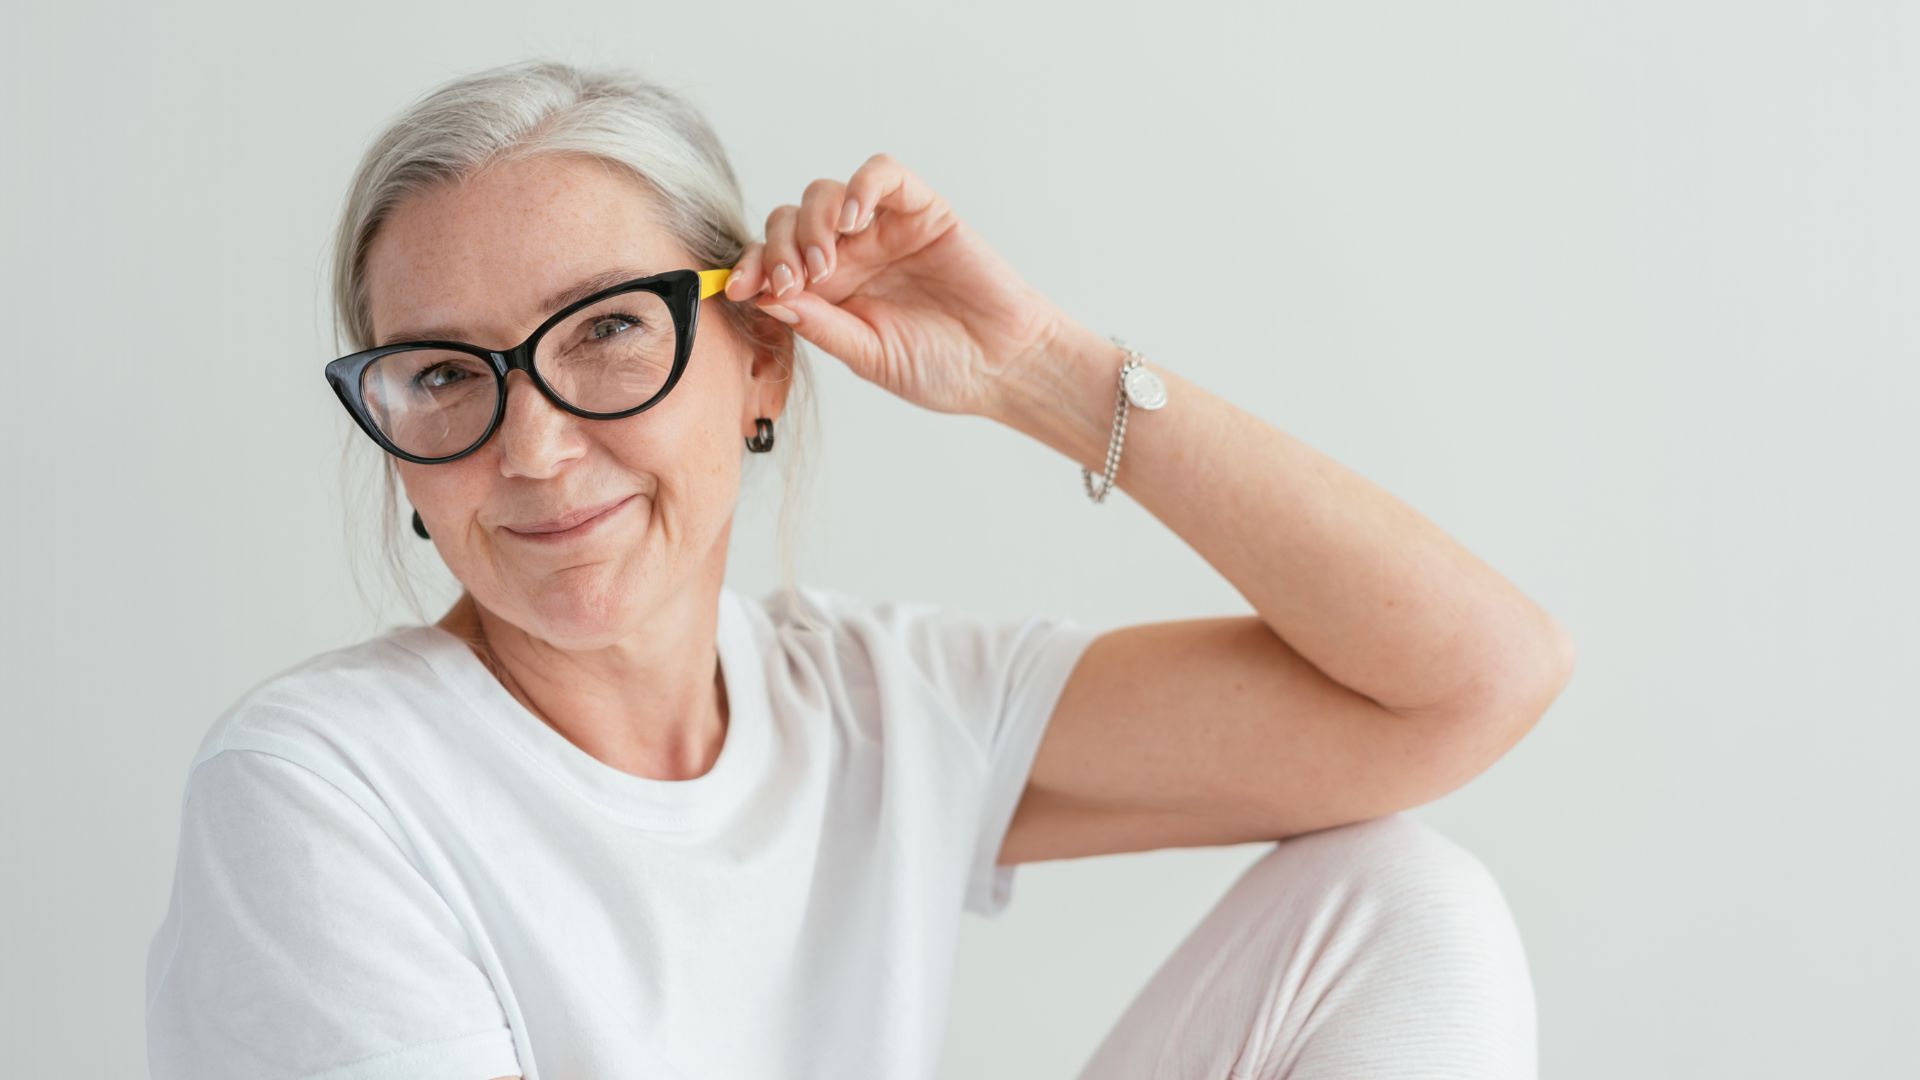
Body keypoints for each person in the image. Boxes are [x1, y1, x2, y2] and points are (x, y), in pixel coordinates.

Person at [144, 59, 1574, 1080]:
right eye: (444, 375)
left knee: (1401, 902)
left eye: (607, 334)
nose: (529, 446)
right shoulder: (320, 789)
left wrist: (1043, 375)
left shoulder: (873, 707)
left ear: (759, 360)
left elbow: (1466, 686)